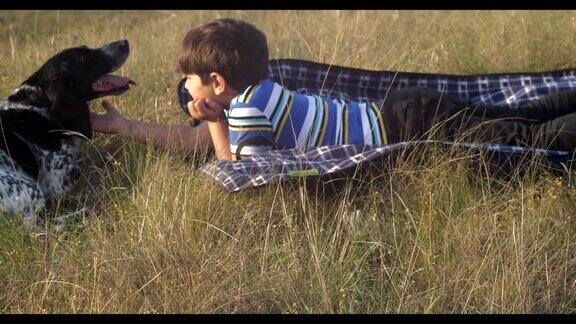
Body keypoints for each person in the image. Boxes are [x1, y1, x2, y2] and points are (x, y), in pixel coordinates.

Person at [90, 18, 576, 162]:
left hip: (405, 124)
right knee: (517, 115)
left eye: (190, 83)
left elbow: (240, 177)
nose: (190, 95)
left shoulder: (243, 115)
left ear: (217, 84)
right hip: (403, 107)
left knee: (525, 140)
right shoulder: (267, 87)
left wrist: (216, 124)